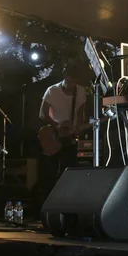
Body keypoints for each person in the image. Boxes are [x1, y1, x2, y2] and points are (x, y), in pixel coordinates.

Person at [36, 66, 87, 196]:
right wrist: (57, 126)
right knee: (49, 173)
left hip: (70, 138)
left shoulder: (81, 91)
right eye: (68, 81)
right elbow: (42, 115)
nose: (71, 85)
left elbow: (80, 114)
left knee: (69, 170)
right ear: (64, 77)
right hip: (54, 136)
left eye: (74, 81)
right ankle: (46, 198)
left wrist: (78, 129)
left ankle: (66, 198)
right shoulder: (52, 90)